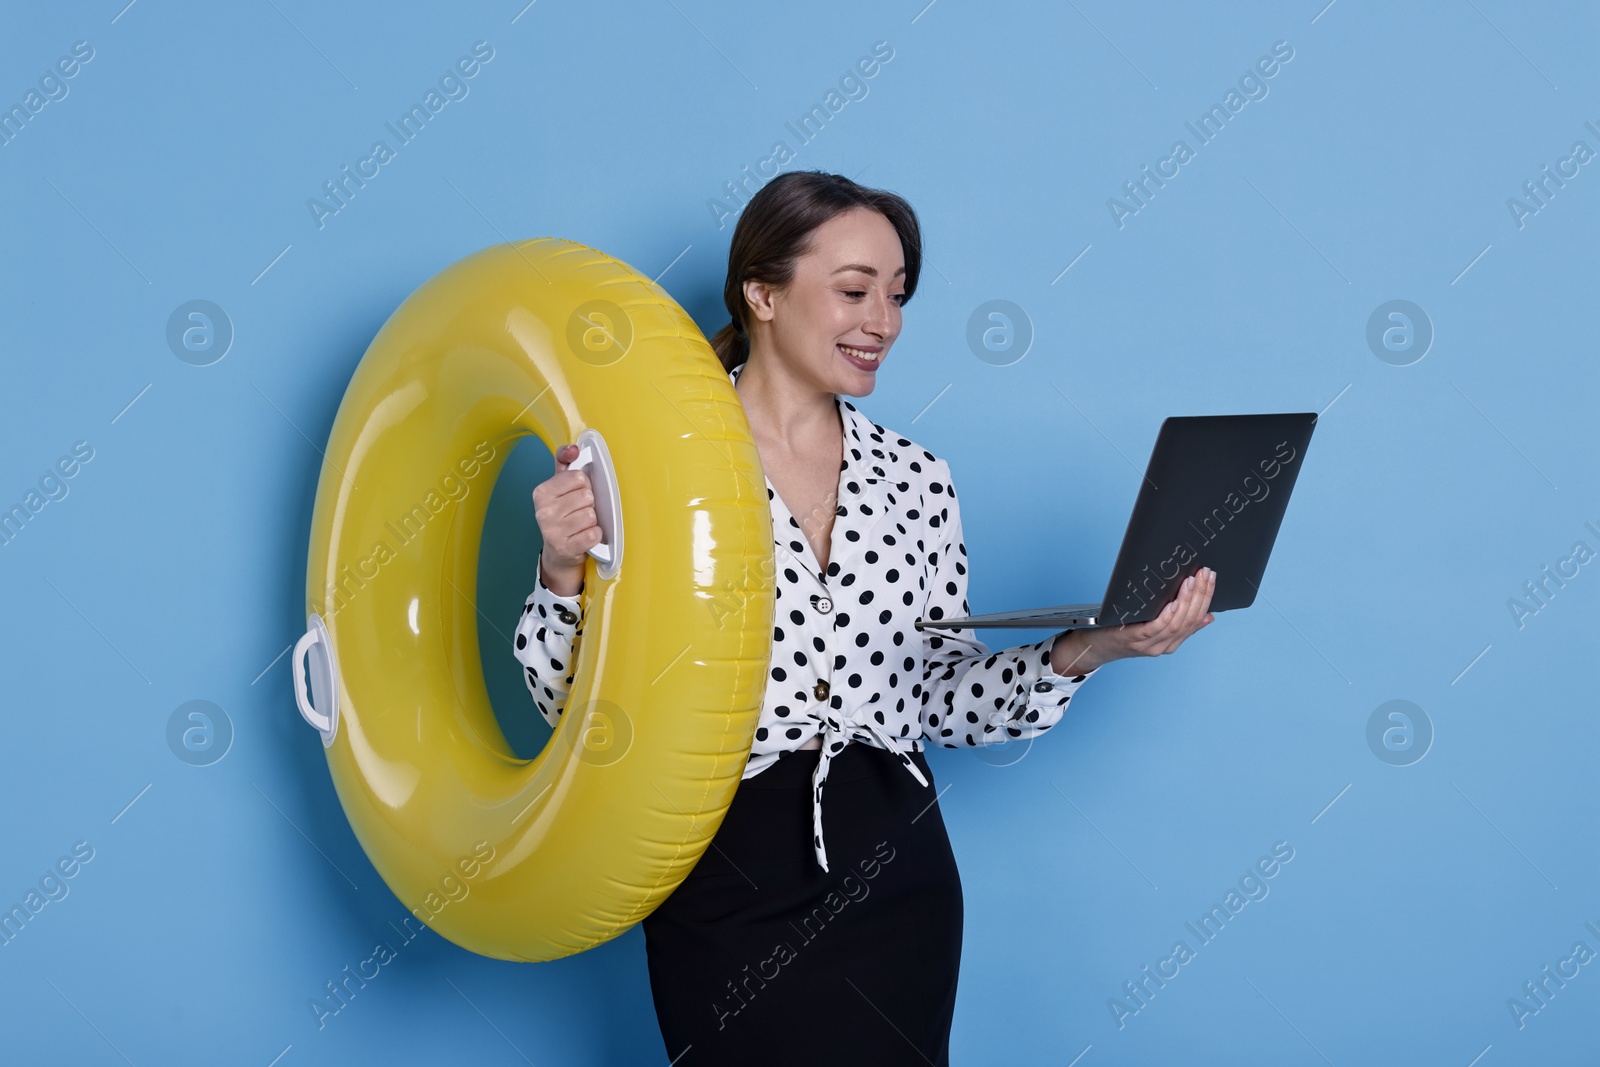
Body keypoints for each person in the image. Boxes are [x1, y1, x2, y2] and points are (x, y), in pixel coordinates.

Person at [512, 170, 1215, 1066]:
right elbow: (568, 702)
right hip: (721, 866)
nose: (882, 320)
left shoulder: (919, 480)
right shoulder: (652, 467)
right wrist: (562, 566)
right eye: (853, 290)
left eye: (897, 294)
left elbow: (940, 701)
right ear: (762, 293)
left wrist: (1097, 646)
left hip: (898, 866)